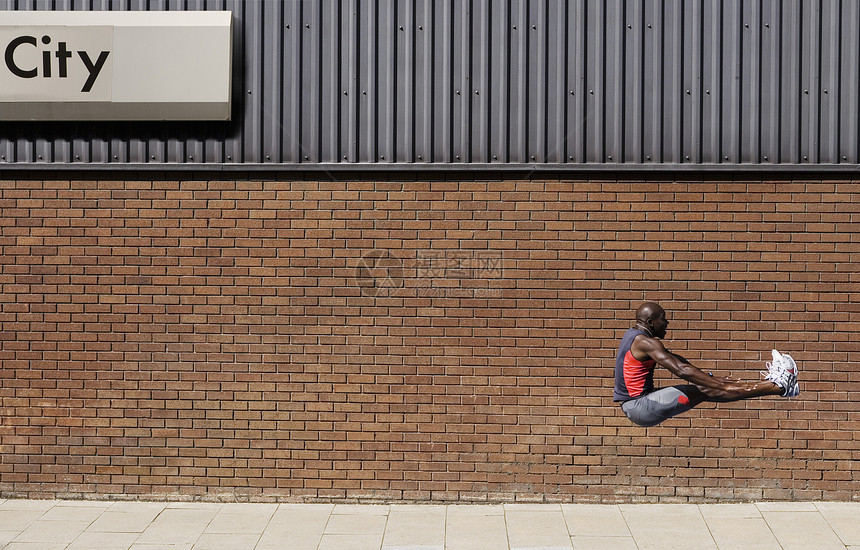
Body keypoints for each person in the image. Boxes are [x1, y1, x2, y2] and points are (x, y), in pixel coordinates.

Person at [614, 302, 799, 427]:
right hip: (638, 406)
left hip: (641, 403)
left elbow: (679, 361)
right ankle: (779, 386)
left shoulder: (635, 337)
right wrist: (721, 385)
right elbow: (681, 370)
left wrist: (712, 379)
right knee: (708, 390)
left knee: (708, 388)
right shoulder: (644, 342)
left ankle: (779, 385)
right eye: (662, 318)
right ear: (650, 322)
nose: (667, 322)